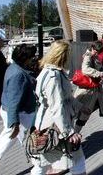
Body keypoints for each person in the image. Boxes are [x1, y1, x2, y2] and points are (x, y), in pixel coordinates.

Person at [30, 40, 86, 175]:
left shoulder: (49, 72)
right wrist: (68, 132)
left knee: (48, 164)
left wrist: (80, 106)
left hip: (50, 126)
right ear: (63, 55)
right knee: (75, 163)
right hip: (56, 128)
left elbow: (65, 98)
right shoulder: (53, 76)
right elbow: (56, 105)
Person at [0, 44, 38, 175]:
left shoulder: (13, 67)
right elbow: (14, 100)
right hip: (20, 113)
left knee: (23, 140)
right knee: (9, 141)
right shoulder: (18, 74)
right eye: (32, 56)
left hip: (15, 111)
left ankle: (37, 164)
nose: (34, 58)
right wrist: (15, 123)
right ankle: (38, 165)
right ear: (25, 58)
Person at [74, 41, 103, 134]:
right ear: (92, 48)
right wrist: (99, 74)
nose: (96, 53)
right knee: (84, 114)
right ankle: (74, 136)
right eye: (95, 51)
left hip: (97, 89)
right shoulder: (88, 56)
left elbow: (99, 67)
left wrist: (102, 76)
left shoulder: (94, 56)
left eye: (98, 52)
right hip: (89, 91)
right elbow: (85, 69)